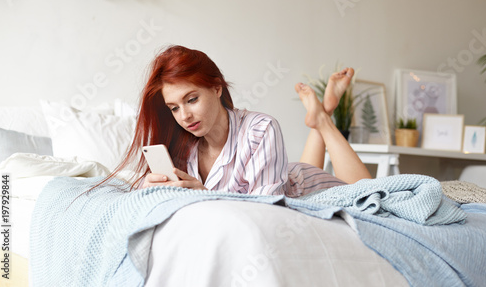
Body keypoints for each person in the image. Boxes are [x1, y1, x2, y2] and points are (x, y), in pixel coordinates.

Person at [110, 45, 371, 197]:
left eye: (191, 100)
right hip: (285, 179)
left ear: (216, 88)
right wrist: (148, 187)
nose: (184, 116)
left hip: (310, 188)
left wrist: (205, 196)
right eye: (174, 108)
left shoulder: (261, 128)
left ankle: (323, 119)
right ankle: (320, 114)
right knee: (292, 181)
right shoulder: (181, 147)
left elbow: (267, 211)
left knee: (368, 192)